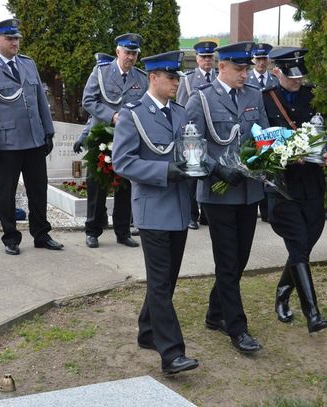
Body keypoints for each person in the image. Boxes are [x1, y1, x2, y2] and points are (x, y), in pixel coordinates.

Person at [112, 50, 198, 375]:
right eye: (171, 77)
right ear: (153, 78)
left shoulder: (179, 112)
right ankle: (172, 354)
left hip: (178, 209)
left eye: (178, 77)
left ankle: (147, 331)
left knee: (167, 280)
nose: (177, 82)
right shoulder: (134, 114)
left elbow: (192, 150)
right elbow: (123, 162)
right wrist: (165, 172)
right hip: (152, 211)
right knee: (161, 283)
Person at [186, 41, 270, 354]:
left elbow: (262, 134)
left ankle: (214, 313)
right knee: (227, 259)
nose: (244, 74)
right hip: (217, 193)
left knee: (240, 258)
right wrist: (216, 171)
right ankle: (237, 328)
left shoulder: (253, 94)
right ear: (221, 67)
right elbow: (190, 144)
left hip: (248, 190)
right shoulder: (202, 98)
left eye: (247, 68)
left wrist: (266, 157)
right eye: (238, 68)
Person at [0, 18, 63, 255]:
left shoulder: (27, 64)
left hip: (33, 139)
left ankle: (41, 234)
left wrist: (48, 130)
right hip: (7, 142)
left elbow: (40, 100)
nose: (15, 42)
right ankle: (11, 237)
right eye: (10, 38)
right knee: (6, 192)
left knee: (38, 190)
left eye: (17, 38)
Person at [262, 47, 327, 333]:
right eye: (291, 76)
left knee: (306, 243)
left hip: (312, 185)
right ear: (275, 72)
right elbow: (259, 143)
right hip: (282, 188)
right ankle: (313, 313)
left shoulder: (312, 95)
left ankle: (283, 289)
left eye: (300, 75)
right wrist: (285, 154)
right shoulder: (265, 100)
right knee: (297, 243)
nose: (297, 81)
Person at [76, 33, 148, 249]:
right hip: (102, 136)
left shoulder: (141, 78)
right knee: (96, 186)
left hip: (128, 140)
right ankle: (92, 231)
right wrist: (111, 116)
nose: (131, 57)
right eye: (127, 52)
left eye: (134, 53)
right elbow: (88, 100)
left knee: (124, 187)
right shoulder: (101, 72)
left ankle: (123, 231)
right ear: (118, 52)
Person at [176, 41, 218, 230]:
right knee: (192, 176)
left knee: (211, 172)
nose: (207, 60)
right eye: (203, 57)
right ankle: (192, 215)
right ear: (197, 58)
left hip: (215, 133)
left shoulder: (219, 77)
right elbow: (181, 106)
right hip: (194, 133)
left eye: (210, 57)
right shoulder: (188, 80)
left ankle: (207, 215)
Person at [246, 43, 279, 223]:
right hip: (253, 130)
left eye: (264, 59)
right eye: (258, 59)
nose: (261, 62)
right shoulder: (246, 79)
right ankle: (256, 206)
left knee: (268, 171)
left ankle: (267, 212)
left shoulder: (275, 79)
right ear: (253, 60)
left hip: (270, 128)